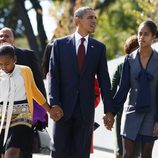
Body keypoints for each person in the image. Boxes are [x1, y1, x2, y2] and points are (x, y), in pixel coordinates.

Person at [48, 6, 114, 158]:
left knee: (81, 155)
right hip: (62, 110)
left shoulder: (99, 48)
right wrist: (54, 103)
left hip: (85, 112)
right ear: (77, 20)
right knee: (59, 153)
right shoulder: (59, 45)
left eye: (95, 18)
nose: (94, 21)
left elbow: (104, 81)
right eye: (90, 17)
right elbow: (54, 76)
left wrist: (108, 110)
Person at [112, 20, 158, 158]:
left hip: (152, 115)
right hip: (130, 113)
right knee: (128, 155)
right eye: (139, 34)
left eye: (146, 34)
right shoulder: (128, 60)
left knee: (146, 155)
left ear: (154, 37)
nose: (141, 37)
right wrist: (110, 112)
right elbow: (122, 90)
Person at [0, 44, 55, 158]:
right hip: (3, 114)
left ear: (14, 59)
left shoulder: (25, 71)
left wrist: (49, 109)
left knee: (12, 151)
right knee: (3, 152)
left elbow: (34, 91)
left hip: (22, 114)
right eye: (0, 64)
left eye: (7, 63)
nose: (4, 67)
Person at [111, 35, 140, 158]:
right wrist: (109, 112)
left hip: (141, 114)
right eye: (136, 49)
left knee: (136, 152)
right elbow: (111, 91)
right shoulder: (120, 67)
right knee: (120, 150)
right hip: (122, 114)